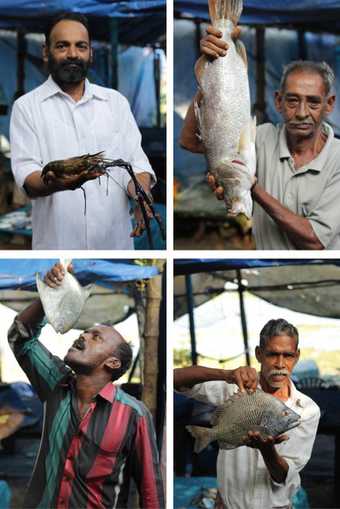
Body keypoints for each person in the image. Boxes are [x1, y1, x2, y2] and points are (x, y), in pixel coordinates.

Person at [8, 262, 164, 509]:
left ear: (112, 362)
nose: (83, 335)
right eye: (86, 332)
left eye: (96, 337)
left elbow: (150, 491)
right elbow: (21, 338)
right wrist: (50, 294)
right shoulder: (56, 384)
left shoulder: (134, 415)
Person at [180, 26, 340, 250]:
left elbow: (315, 241)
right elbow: (189, 141)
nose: (302, 112)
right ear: (278, 101)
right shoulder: (263, 137)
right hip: (267, 270)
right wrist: (210, 77)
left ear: (329, 105)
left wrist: (251, 187)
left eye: (313, 102)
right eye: (292, 101)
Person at [10, 12, 155, 249]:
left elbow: (136, 164)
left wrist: (141, 195)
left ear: (91, 53)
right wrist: (59, 183)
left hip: (115, 246)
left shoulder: (115, 102)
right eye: (62, 46)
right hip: (57, 248)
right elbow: (27, 178)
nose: (73, 54)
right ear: (46, 52)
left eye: (81, 46)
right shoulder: (26, 107)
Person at [174, 318, 320, 509]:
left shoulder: (306, 410)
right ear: (259, 354)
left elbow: (282, 476)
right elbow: (175, 379)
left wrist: (267, 451)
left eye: (288, 355)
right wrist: (226, 375)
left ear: (297, 356)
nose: (280, 363)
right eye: (272, 354)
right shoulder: (236, 388)